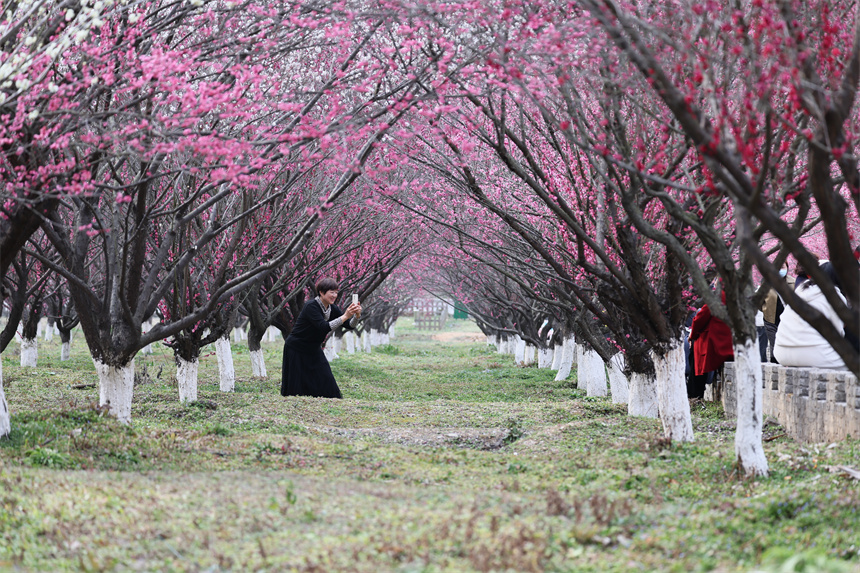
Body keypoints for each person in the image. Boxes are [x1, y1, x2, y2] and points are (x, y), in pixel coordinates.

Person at [280, 277, 362, 398]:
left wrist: (356, 315)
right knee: (296, 385)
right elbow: (323, 327)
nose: (335, 295)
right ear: (322, 292)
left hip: (313, 347)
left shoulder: (332, 308)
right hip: (296, 346)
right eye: (331, 292)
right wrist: (345, 316)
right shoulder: (311, 306)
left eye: (336, 292)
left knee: (325, 377)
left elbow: (349, 325)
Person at [773, 262, 847, 369]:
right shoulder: (836, 298)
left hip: (781, 352)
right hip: (814, 356)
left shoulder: (801, 289)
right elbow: (839, 333)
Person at [688, 290, 734, 399]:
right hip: (729, 342)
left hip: (713, 342)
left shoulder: (718, 295)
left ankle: (694, 396)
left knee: (695, 361)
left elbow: (701, 318)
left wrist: (692, 336)